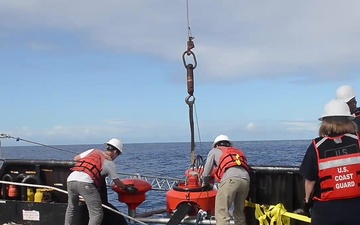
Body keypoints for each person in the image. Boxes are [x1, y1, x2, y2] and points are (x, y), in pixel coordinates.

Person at [299, 99, 360, 225]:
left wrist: (306, 203)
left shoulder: (316, 145)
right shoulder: (358, 142)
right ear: (349, 120)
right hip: (356, 208)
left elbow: (310, 182)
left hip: (325, 211)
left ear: (325, 122)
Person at [64, 138, 138, 225]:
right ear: (115, 152)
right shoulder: (110, 163)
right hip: (85, 184)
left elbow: (76, 158)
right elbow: (117, 182)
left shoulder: (93, 151)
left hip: (70, 180)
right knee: (96, 214)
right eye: (117, 155)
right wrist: (126, 188)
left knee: (71, 208)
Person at [201, 134, 250, 225]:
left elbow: (207, 171)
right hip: (245, 180)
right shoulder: (236, 152)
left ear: (216, 145)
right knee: (239, 213)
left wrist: (204, 183)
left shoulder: (214, 151)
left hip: (230, 180)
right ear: (229, 145)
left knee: (222, 212)